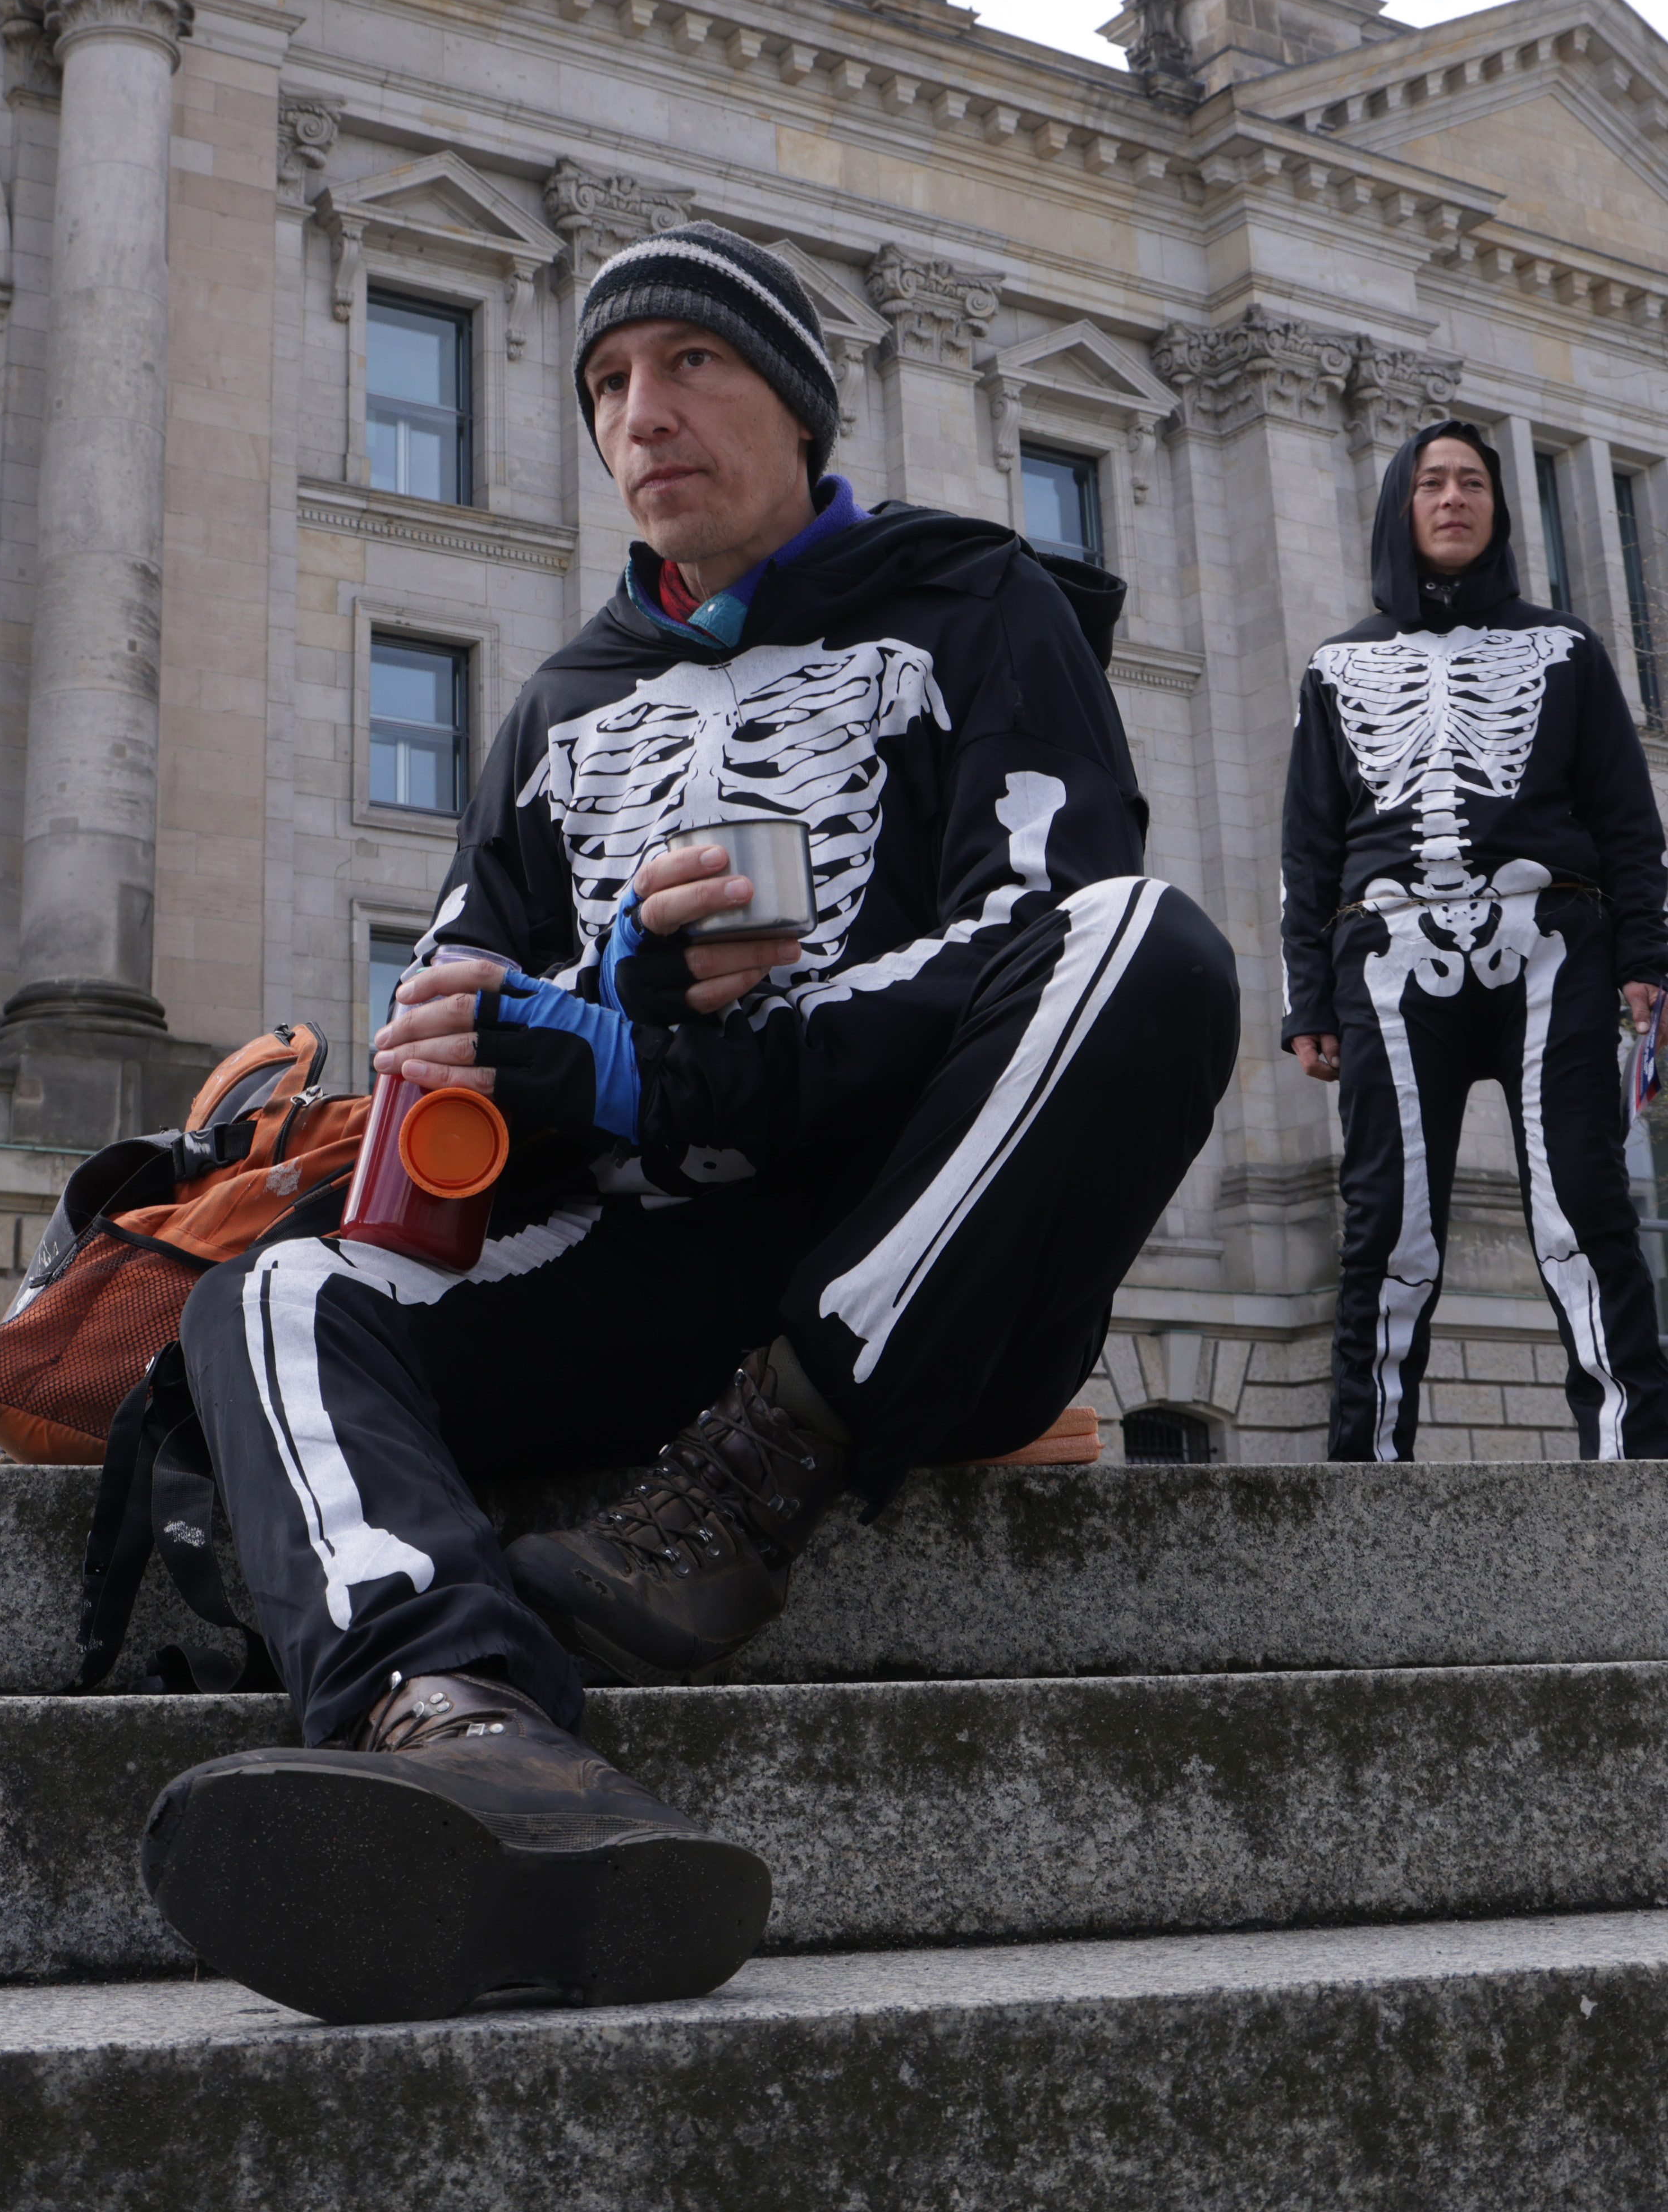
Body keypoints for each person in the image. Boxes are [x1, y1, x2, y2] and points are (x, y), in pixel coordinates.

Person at [141, 221, 1241, 2023]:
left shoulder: (979, 604)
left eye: (689, 364)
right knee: (270, 1292)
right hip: (638, 1256)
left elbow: (1036, 932)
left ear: (798, 403)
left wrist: (695, 1068)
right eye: (604, 385)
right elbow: (462, 1022)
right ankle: (464, 1729)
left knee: (1144, 939)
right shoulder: (560, 702)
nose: (639, 415)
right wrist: (576, 1012)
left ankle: (763, 1468)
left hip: (916, 1256)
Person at [1281, 423, 1668, 1461]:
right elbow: (1308, 846)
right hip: (1389, 961)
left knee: (1583, 1204)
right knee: (1387, 1222)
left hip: (1552, 947)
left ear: (1498, 509)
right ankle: (1369, 1473)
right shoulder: (1336, 666)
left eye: (1471, 482)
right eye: (1431, 483)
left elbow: (1627, 820)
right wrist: (1307, 1000)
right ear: (1400, 508)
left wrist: (1647, 961)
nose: (1453, 498)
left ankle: (1634, 1465)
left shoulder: (1568, 649)